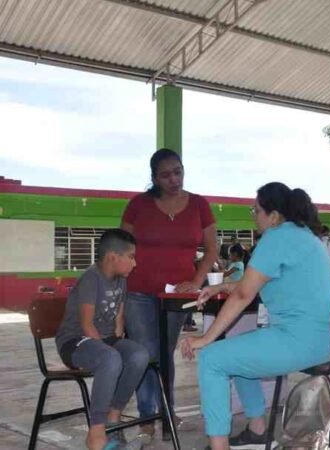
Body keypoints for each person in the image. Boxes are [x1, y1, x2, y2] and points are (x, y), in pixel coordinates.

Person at [180, 182, 330, 450]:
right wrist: (221, 287)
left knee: (211, 358)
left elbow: (244, 295)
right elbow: (252, 283)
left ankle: (219, 445)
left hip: (296, 342)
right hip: (321, 342)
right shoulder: (305, 236)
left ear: (273, 215)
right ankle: (257, 430)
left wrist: (205, 338)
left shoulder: (276, 238)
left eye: (256, 210)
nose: (254, 216)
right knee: (236, 352)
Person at [121, 148, 218, 440]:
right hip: (138, 291)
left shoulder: (199, 205)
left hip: (177, 295)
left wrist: (196, 280)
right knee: (145, 352)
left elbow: (211, 249)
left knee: (164, 353)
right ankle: (147, 418)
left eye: (178, 172)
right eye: (165, 175)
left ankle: (166, 412)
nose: (174, 179)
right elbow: (122, 248)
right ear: (154, 178)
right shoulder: (138, 205)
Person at [55, 229, 148, 450]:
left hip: (105, 340)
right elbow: (87, 325)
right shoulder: (91, 278)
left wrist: (119, 339)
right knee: (110, 358)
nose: (135, 263)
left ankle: (113, 419)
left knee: (139, 355)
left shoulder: (121, 280)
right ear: (113, 257)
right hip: (75, 342)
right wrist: (110, 351)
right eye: (131, 257)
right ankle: (96, 433)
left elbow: (119, 317)